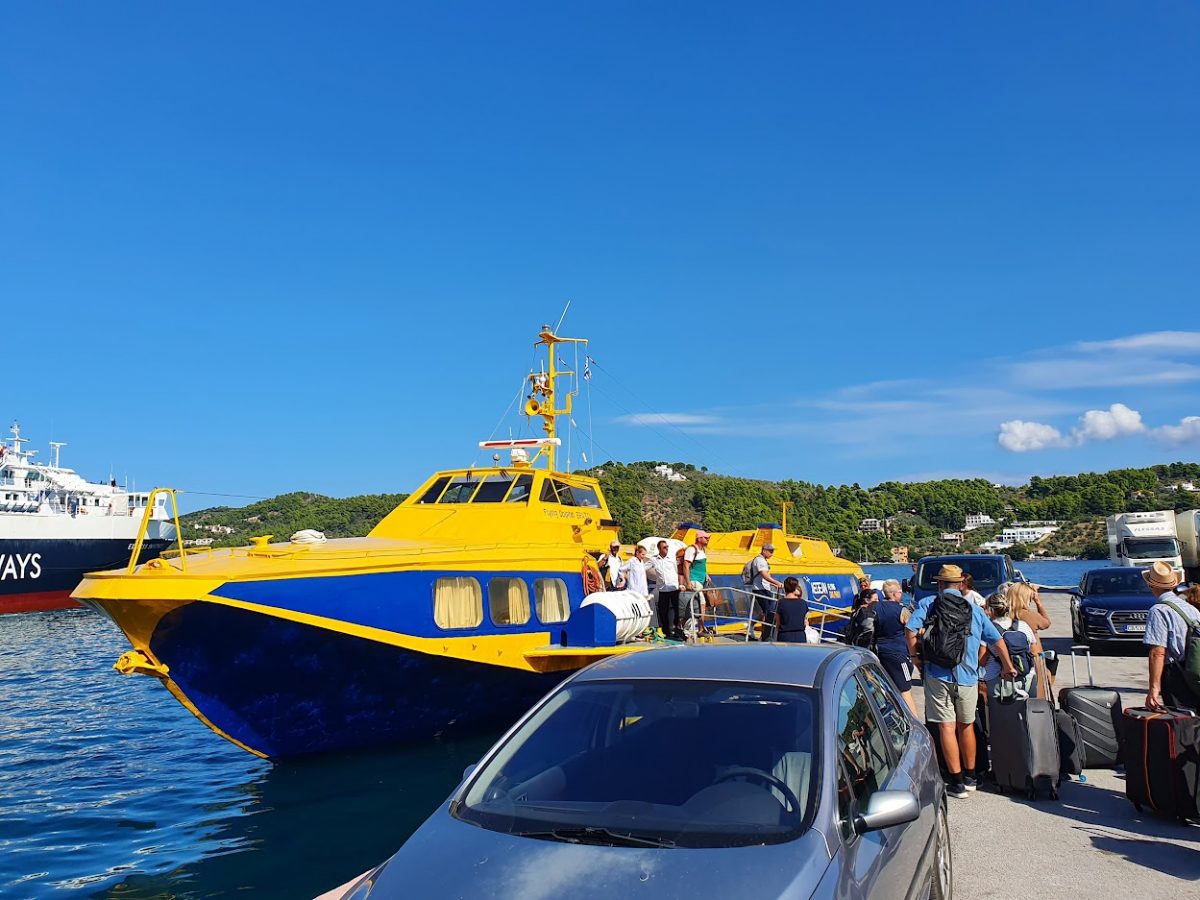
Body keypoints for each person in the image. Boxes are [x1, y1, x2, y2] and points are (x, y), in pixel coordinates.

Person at [906, 563, 1017, 800]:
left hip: (937, 674)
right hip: (967, 675)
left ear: (939, 584)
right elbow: (996, 640)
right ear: (960, 584)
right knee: (966, 725)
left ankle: (955, 782)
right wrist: (1008, 666)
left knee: (946, 727)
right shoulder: (975, 609)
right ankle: (971, 778)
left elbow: (910, 630)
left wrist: (917, 658)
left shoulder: (928, 604)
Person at [1143, 562, 1200, 710]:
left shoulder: (1159, 610)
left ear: (1151, 585)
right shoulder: (1191, 608)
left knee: (1180, 722)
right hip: (1195, 668)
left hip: (1176, 673)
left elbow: (1158, 652)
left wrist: (1154, 689)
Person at [979, 585, 1041, 699]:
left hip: (997, 679)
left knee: (999, 714)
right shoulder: (1023, 625)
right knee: (1027, 712)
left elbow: (982, 660)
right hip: (1026, 678)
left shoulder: (988, 629)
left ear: (991, 610)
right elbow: (1034, 651)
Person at [876, 578, 918, 716]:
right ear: (894, 594)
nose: (901, 594)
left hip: (879, 651)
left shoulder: (875, 608)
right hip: (898, 653)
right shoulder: (901, 610)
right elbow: (913, 628)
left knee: (887, 688)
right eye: (900, 592)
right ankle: (915, 720)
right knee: (905, 689)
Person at [746, 544, 784, 640]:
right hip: (760, 589)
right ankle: (765, 635)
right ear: (764, 551)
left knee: (766, 612)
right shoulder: (760, 560)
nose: (772, 553)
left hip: (764, 588)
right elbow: (763, 574)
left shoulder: (763, 561)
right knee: (769, 612)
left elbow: (766, 576)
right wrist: (776, 582)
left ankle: (753, 627)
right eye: (770, 551)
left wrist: (772, 584)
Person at [647, 540, 683, 641]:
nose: (666, 549)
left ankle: (677, 629)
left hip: (674, 588)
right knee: (663, 611)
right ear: (659, 549)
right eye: (664, 547)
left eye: (667, 547)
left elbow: (678, 571)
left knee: (677, 610)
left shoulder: (671, 558)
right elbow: (643, 567)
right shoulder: (654, 560)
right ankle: (666, 631)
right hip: (663, 590)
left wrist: (681, 584)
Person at [679, 531, 711, 635]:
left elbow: (702, 565)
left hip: (701, 581)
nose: (708, 539)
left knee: (699, 604)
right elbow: (686, 566)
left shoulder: (702, 550)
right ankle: (700, 629)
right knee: (700, 604)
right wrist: (688, 582)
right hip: (694, 580)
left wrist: (706, 574)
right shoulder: (692, 549)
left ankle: (699, 628)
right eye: (705, 538)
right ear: (699, 538)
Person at [774, 576, 810, 643]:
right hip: (800, 636)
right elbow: (805, 621)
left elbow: (778, 623)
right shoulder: (803, 603)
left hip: (784, 636)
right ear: (795, 587)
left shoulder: (781, 603)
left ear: (785, 588)